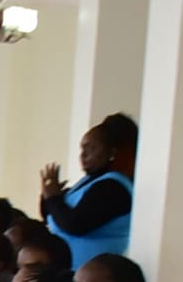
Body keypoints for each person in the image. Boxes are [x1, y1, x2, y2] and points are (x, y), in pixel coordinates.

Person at [41, 113, 137, 266]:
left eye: (91, 148)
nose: (83, 155)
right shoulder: (91, 180)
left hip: (87, 272)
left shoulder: (112, 187)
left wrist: (53, 197)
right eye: (82, 148)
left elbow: (75, 224)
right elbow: (53, 216)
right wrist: (48, 194)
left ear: (112, 153)